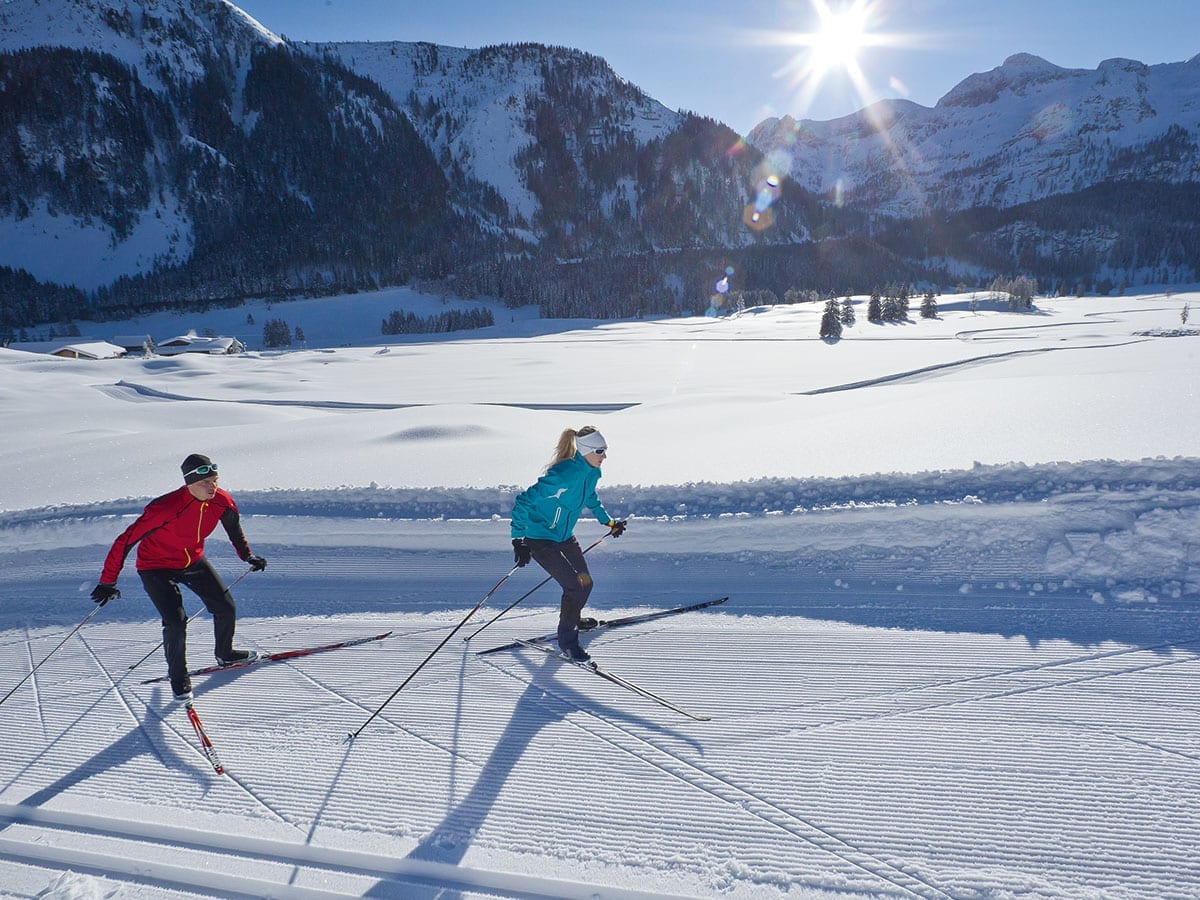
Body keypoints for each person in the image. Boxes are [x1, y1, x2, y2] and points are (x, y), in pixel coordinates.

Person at [91, 454, 267, 702]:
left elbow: (234, 529)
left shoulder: (222, 501)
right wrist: (108, 582)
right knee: (175, 622)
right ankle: (178, 677)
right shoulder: (164, 508)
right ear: (189, 484)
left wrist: (247, 556)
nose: (212, 487)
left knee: (225, 607)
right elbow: (125, 541)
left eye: (214, 480)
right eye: (205, 482)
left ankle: (225, 653)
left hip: (193, 561)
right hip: (155, 567)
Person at [510, 426, 627, 662]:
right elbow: (524, 501)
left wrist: (609, 522)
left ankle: (572, 619)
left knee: (586, 583)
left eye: (605, 450)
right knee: (574, 587)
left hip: (563, 537)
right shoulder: (562, 475)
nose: (604, 456)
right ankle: (567, 642)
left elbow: (590, 498)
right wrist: (518, 539)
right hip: (540, 538)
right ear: (585, 451)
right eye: (599, 451)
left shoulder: (590, 472)